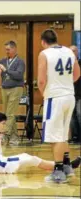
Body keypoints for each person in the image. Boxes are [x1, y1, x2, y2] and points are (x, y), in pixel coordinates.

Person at [0, 112, 81, 176]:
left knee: (29, 157)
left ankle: (65, 166)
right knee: (30, 158)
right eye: (3, 123)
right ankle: (65, 167)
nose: (5, 126)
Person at [37, 29, 81, 183]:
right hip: (69, 96)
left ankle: (58, 171)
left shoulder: (45, 54)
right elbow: (77, 74)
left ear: (43, 42)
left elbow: (41, 81)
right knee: (62, 134)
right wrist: (65, 84)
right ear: (56, 39)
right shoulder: (69, 51)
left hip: (54, 98)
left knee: (55, 136)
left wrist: (45, 93)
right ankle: (68, 166)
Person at [0, 41, 25, 145]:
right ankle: (14, 138)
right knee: (8, 114)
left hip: (16, 88)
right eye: (6, 50)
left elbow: (19, 75)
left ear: (14, 49)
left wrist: (6, 70)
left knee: (10, 113)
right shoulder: (3, 60)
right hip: (5, 88)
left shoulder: (20, 62)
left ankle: (4, 134)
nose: (6, 52)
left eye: (8, 49)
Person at [69, 45, 81, 144]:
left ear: (77, 52)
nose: (73, 52)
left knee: (79, 114)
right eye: (71, 51)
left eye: (74, 51)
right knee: (72, 116)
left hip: (80, 94)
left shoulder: (80, 63)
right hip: (70, 93)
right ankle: (75, 137)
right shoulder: (67, 65)